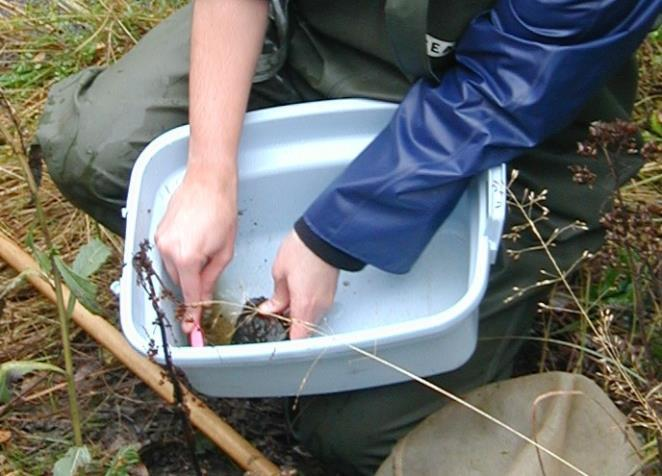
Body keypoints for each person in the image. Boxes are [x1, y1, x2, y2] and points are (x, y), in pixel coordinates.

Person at [36, 0, 660, 474]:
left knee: (354, 435)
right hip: (322, 40)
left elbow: (514, 84)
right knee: (102, 148)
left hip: (509, 115)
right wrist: (208, 170)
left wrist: (332, 235)